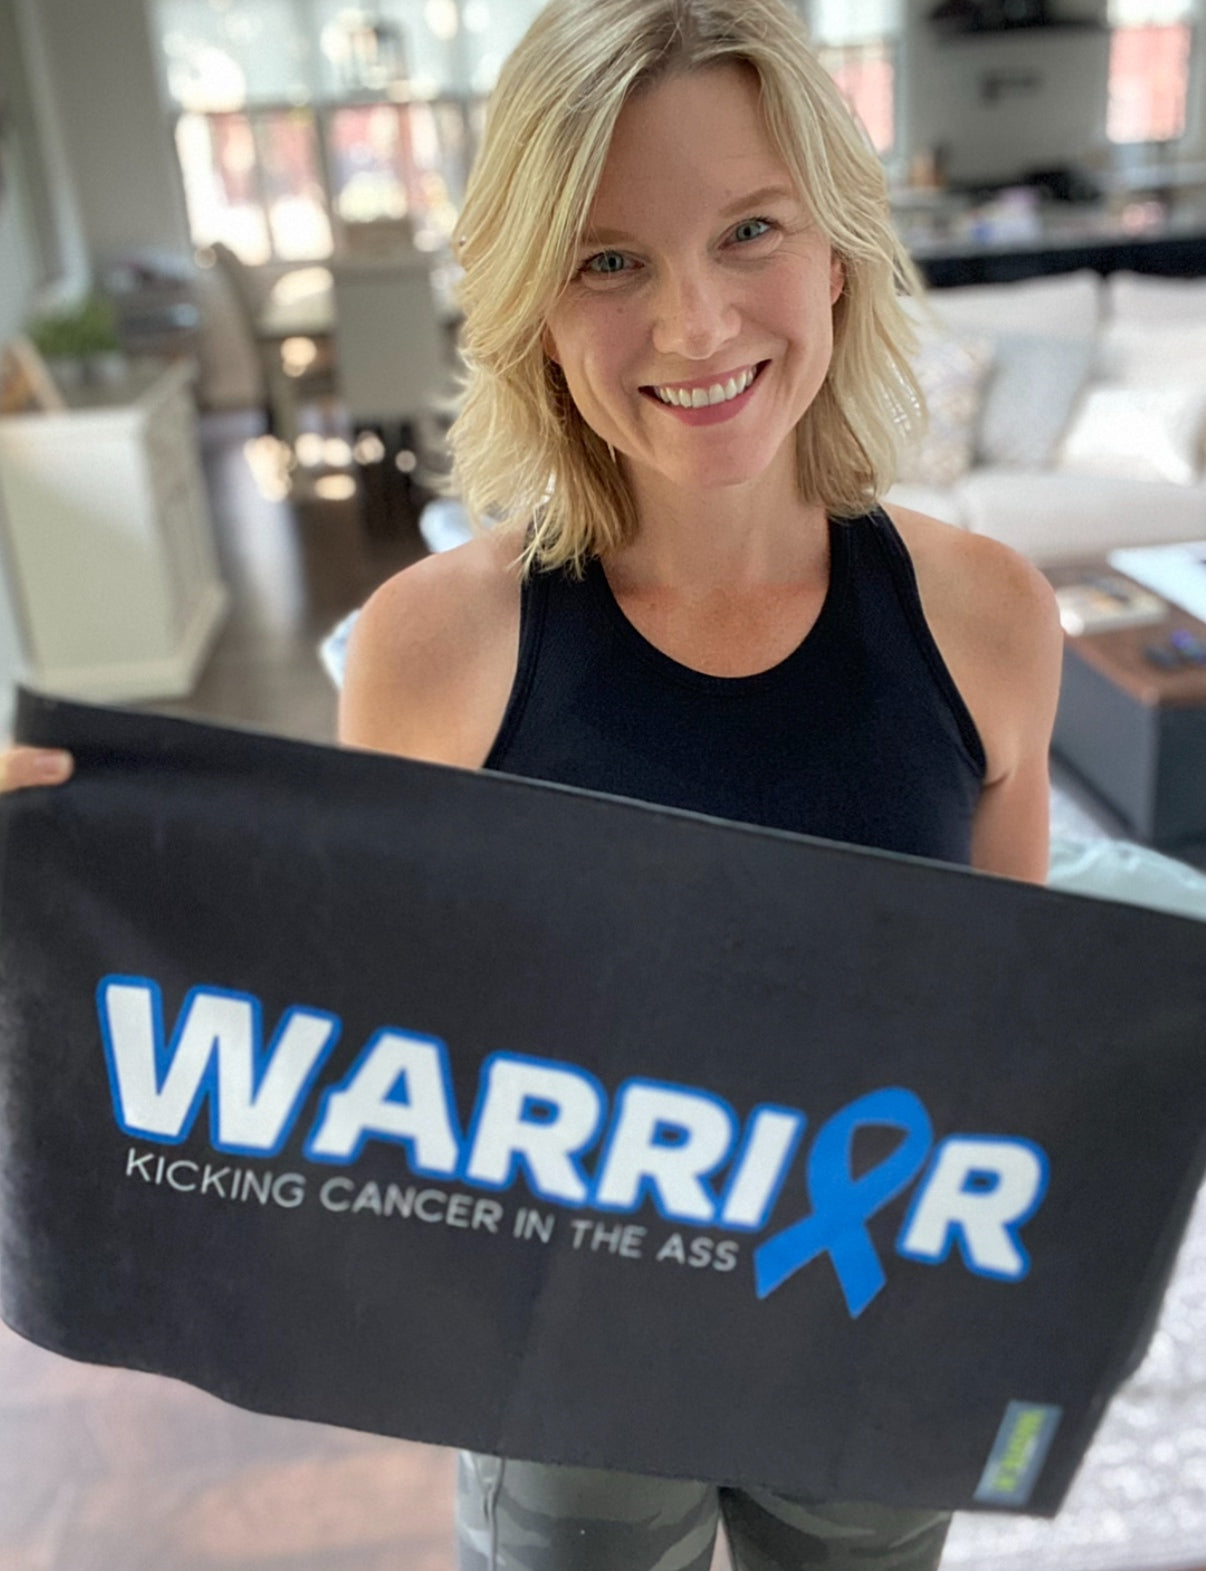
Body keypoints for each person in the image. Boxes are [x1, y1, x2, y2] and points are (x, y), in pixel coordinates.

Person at [1, 0, 1062, 1564]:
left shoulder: (986, 615)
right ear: (534, 310)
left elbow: (1021, 1023)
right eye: (607, 258)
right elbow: (360, 1044)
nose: (695, 325)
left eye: (749, 230)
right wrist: (88, 870)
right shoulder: (441, 643)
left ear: (835, 249)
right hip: (571, 1364)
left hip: (867, 1334)